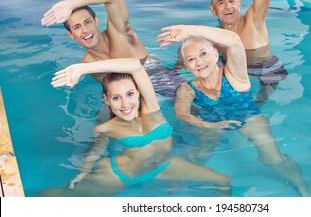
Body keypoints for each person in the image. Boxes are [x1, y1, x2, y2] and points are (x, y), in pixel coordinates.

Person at [37, 58, 231, 197]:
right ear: (107, 100)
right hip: (119, 176)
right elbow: (96, 153)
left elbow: (135, 66)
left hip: (164, 166)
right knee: (69, 198)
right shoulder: (106, 128)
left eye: (129, 94)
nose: (125, 104)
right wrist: (80, 176)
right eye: (116, 98)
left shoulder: (152, 108)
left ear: (138, 92)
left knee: (223, 180)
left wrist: (82, 68)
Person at [158, 24, 311, 197]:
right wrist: (209, 126)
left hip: (248, 117)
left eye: (203, 53)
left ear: (216, 54)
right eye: (191, 59)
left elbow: (234, 40)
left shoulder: (234, 74)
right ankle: (179, 182)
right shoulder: (187, 89)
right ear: (186, 66)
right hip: (212, 121)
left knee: (272, 159)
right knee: (198, 155)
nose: (199, 62)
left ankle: (302, 187)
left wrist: (189, 31)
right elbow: (182, 114)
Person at [41, 0, 183, 97]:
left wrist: (70, 4)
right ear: (71, 34)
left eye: (87, 22)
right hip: (139, 100)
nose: (85, 30)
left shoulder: (119, 32)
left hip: (171, 85)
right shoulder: (86, 66)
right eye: (77, 27)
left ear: (96, 21)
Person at [197, 0, 288, 106]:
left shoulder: (254, 20)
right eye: (221, 2)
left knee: (257, 104)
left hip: (264, 68)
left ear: (239, 4)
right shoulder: (214, 38)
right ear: (213, 9)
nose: (228, 6)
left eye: (231, 1)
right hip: (231, 68)